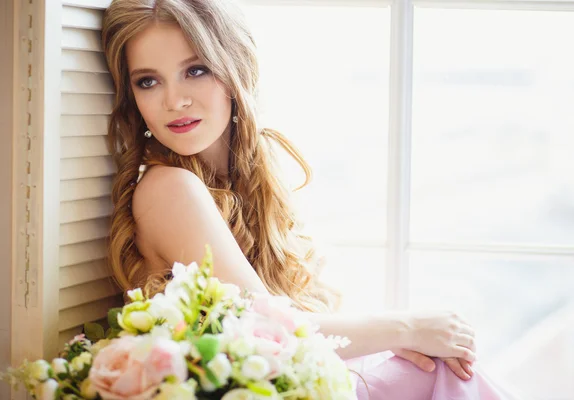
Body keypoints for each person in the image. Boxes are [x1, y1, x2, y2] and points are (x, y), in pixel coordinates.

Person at [101, 0, 521, 398]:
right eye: (148, 81)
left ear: (234, 69)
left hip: (287, 378)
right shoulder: (169, 186)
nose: (174, 100)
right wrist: (407, 326)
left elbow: (288, 327)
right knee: (437, 367)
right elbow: (270, 329)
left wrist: (407, 336)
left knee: (432, 363)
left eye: (195, 70)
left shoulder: (247, 176)